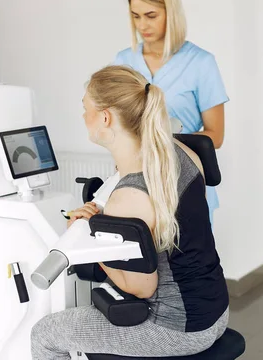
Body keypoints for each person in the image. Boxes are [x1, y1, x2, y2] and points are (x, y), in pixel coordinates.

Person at [30, 65, 229, 359]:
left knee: (46, 334)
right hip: (216, 311)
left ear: (106, 117)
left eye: (85, 108)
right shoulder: (179, 150)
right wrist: (102, 214)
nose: (84, 116)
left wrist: (95, 237)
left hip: (175, 329)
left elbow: (140, 288)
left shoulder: (129, 197)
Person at [112, 0, 228, 223]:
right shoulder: (123, 61)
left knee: (187, 261)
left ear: (170, 12)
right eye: (136, 16)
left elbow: (215, 135)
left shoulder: (200, 63)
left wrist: (160, 142)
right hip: (136, 185)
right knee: (140, 261)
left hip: (185, 183)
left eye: (151, 16)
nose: (142, 25)